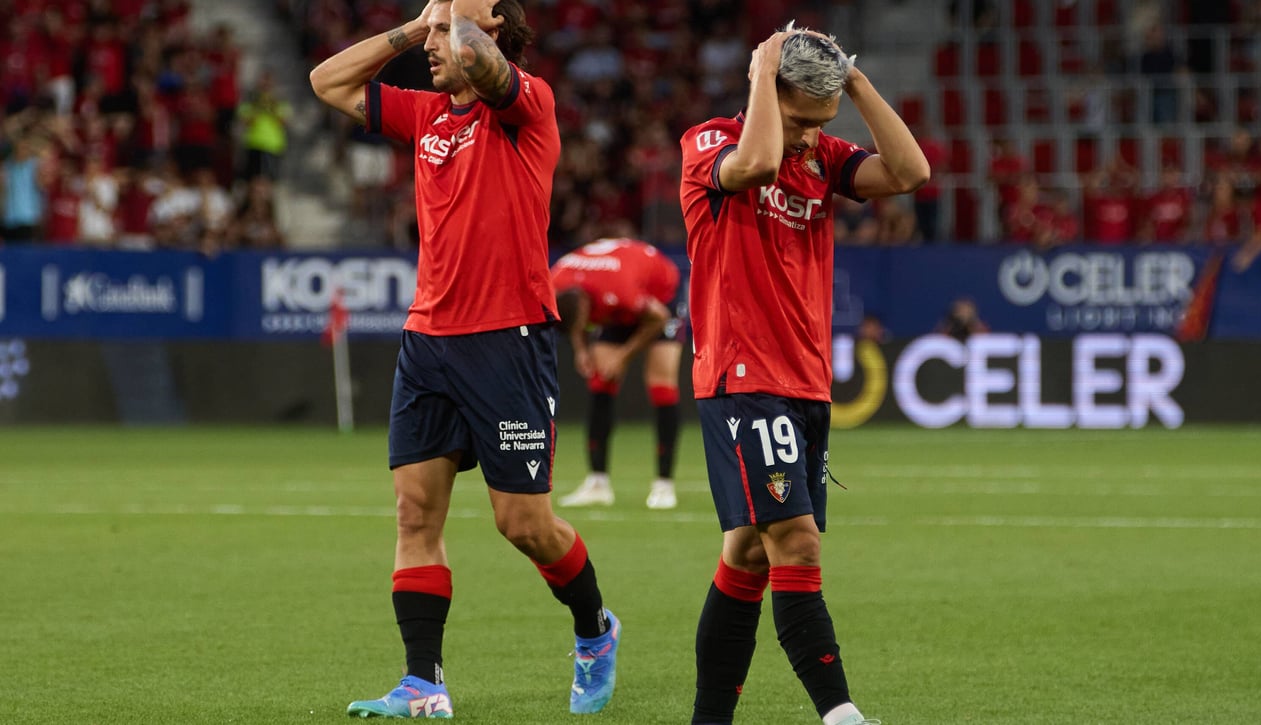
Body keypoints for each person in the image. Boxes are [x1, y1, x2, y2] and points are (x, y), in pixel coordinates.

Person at [309, 0, 620, 718]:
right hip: (427, 340)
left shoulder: (527, 106)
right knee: (413, 513)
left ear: (496, 34)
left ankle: (594, 629)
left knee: (524, 524)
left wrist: (464, 23)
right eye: (437, 29)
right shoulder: (425, 115)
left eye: (453, 29)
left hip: (508, 341)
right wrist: (416, 27)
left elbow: (487, 67)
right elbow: (327, 81)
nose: (438, 44)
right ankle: (424, 682)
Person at [679, 24, 929, 725]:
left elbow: (910, 173)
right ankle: (840, 713)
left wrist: (853, 82)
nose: (814, 139)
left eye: (826, 124)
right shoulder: (710, 145)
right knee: (796, 541)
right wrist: (763, 73)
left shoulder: (819, 156)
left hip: (804, 380)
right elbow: (754, 164)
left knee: (748, 555)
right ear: (768, 90)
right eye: (803, 121)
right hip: (744, 373)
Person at [551, 236, 686, 510]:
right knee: (601, 381)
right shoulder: (556, 282)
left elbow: (657, 318)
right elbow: (574, 322)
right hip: (613, 302)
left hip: (661, 296)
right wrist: (580, 350)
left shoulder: (620, 290)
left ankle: (664, 485)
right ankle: (597, 483)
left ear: (590, 306)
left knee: (662, 384)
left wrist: (623, 357)